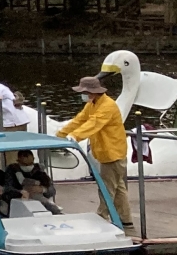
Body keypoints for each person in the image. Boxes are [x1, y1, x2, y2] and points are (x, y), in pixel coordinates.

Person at [58, 75, 135, 237]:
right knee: (118, 188)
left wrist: (75, 136)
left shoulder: (107, 106)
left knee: (107, 188)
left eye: (83, 92)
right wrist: (60, 134)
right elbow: (80, 120)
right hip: (105, 153)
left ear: (91, 92)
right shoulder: (92, 104)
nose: (82, 95)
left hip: (112, 153)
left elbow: (94, 124)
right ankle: (126, 221)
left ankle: (102, 216)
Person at [12, 149, 60, 213]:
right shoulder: (13, 170)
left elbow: (52, 190)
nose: (28, 166)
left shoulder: (40, 169)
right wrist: (21, 192)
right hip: (20, 204)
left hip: (42, 203)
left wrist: (42, 189)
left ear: (33, 159)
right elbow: (8, 189)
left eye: (31, 163)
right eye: (25, 164)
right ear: (18, 161)